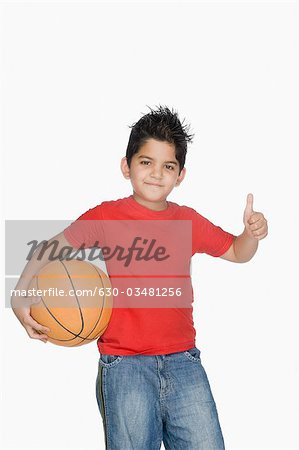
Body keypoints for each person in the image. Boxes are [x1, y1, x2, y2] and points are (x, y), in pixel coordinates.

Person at [11, 105, 268, 449]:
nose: (156, 174)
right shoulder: (105, 216)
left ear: (181, 176)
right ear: (126, 166)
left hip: (184, 362)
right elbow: (49, 249)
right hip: (124, 366)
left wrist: (250, 234)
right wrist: (19, 295)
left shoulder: (187, 221)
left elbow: (237, 252)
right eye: (146, 162)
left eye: (168, 166)